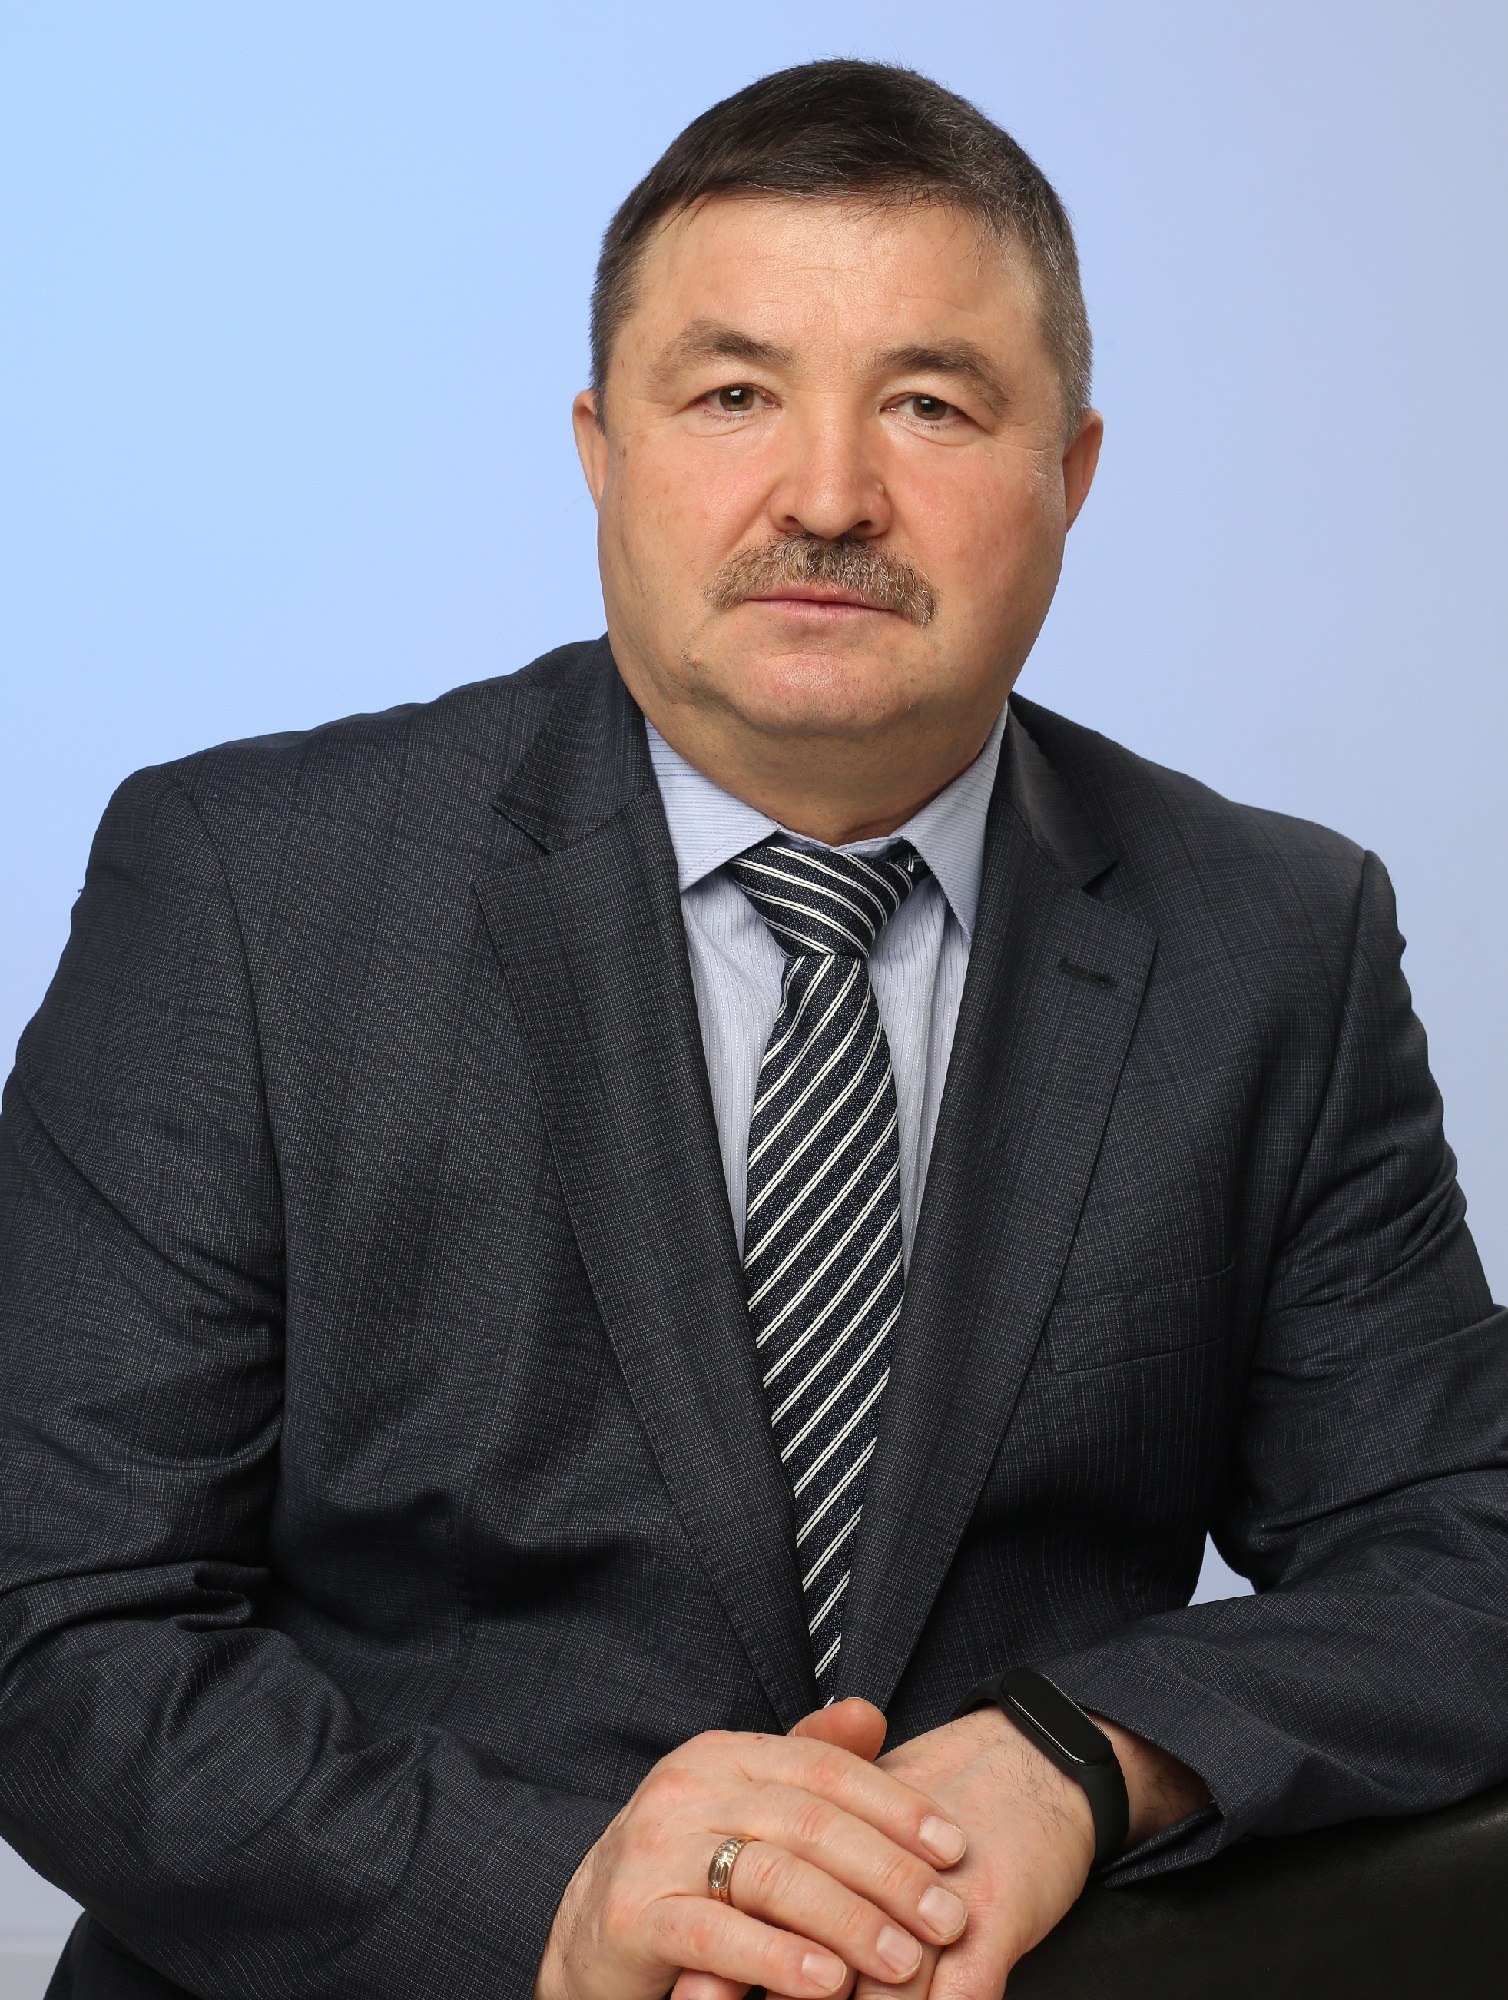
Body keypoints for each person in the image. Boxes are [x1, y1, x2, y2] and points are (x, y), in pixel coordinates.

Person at [2, 56, 1505, 2000]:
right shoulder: (246, 885)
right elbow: (54, 1614)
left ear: (1071, 473)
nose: (826, 495)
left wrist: (1082, 1756)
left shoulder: (1274, 937)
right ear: (599, 449)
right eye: (731, 395)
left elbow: (1463, 1551)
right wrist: (551, 1906)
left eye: (931, 404)